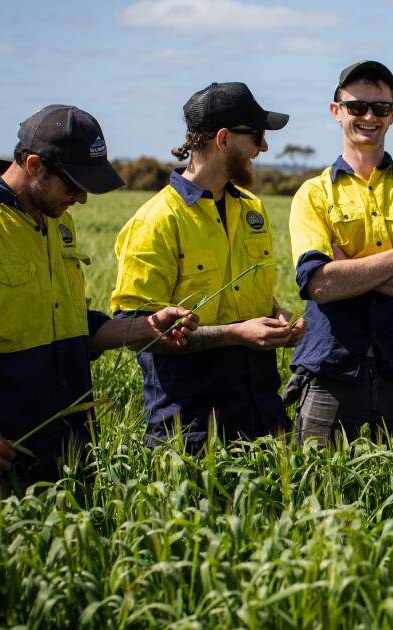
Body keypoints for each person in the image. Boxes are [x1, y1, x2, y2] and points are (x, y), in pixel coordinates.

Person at [0, 105, 197, 486]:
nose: (81, 198)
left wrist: (143, 328)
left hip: (67, 458)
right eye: (74, 185)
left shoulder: (58, 224)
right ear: (35, 165)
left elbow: (68, 326)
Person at [110, 82, 303, 449]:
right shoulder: (155, 220)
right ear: (223, 139)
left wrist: (279, 317)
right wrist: (234, 334)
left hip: (263, 414)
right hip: (191, 429)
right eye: (257, 136)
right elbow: (133, 331)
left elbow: (248, 291)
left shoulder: (251, 209)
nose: (263, 147)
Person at [287, 60, 393, 448]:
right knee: (316, 486)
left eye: (380, 108)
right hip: (331, 365)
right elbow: (319, 283)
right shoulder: (313, 194)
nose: (369, 116)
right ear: (336, 111)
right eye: (356, 107)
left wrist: (349, 269)